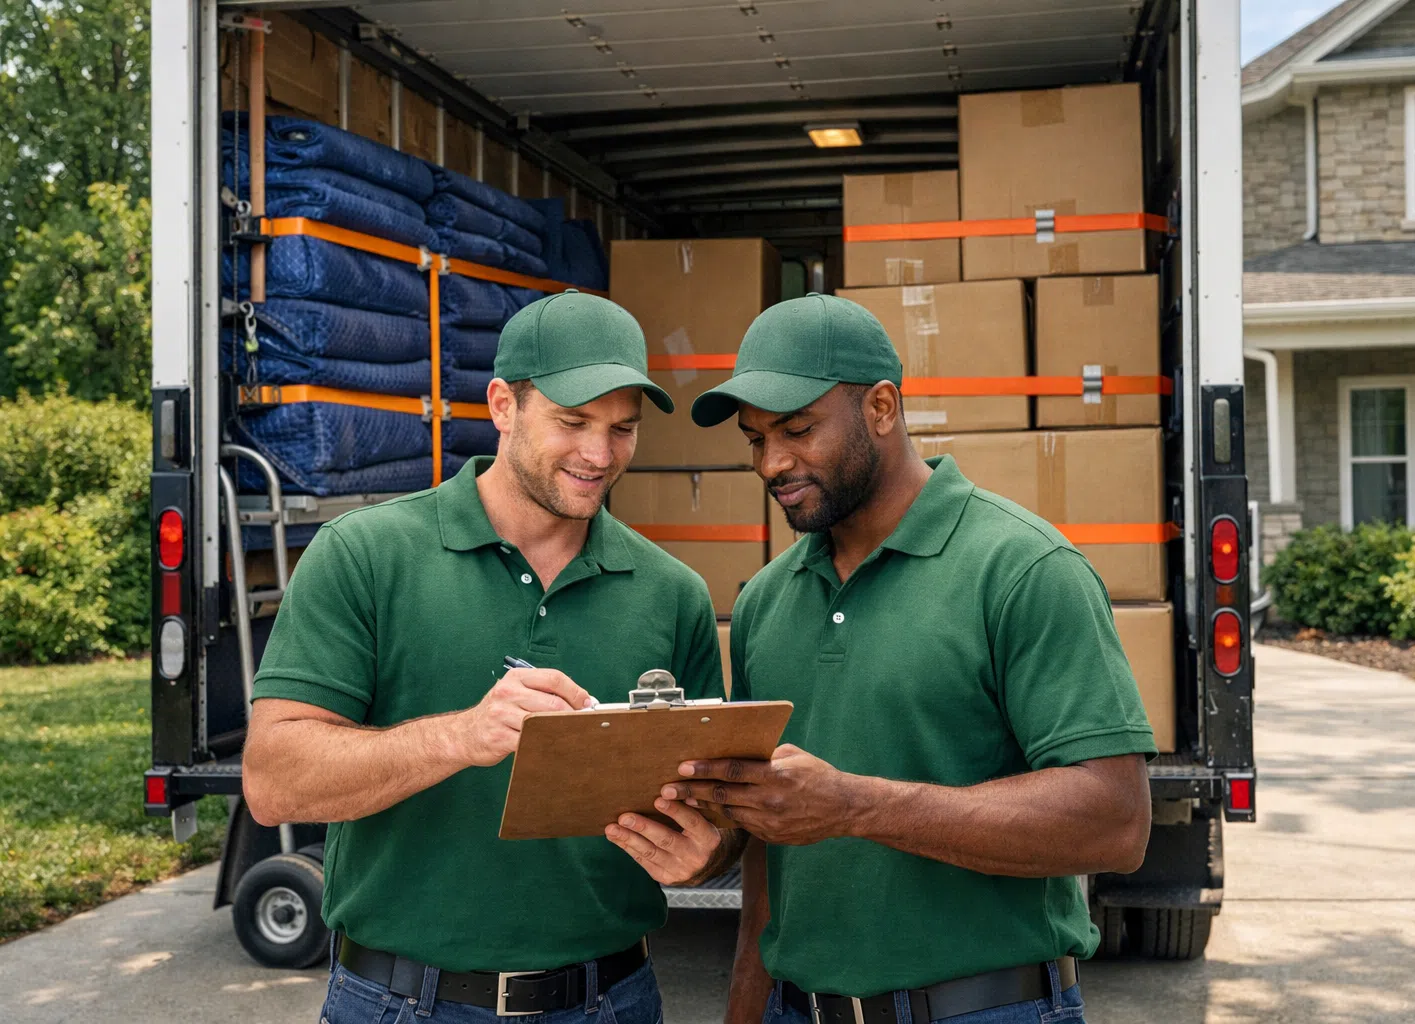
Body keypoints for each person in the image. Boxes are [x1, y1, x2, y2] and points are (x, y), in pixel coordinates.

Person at [243, 290, 743, 1024]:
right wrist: (461, 736)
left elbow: (715, 811)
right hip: (402, 1002)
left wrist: (711, 853)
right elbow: (274, 781)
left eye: (623, 429)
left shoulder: (673, 594)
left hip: (613, 1001)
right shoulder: (366, 555)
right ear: (503, 405)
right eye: (572, 422)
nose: (600, 456)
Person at [673, 293, 1157, 1024]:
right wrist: (746, 1002)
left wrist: (855, 806)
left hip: (985, 1009)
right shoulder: (767, 601)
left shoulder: (1022, 568)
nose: (773, 463)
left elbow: (1116, 822)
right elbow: (775, 851)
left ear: (882, 407)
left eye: (798, 430)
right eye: (755, 439)